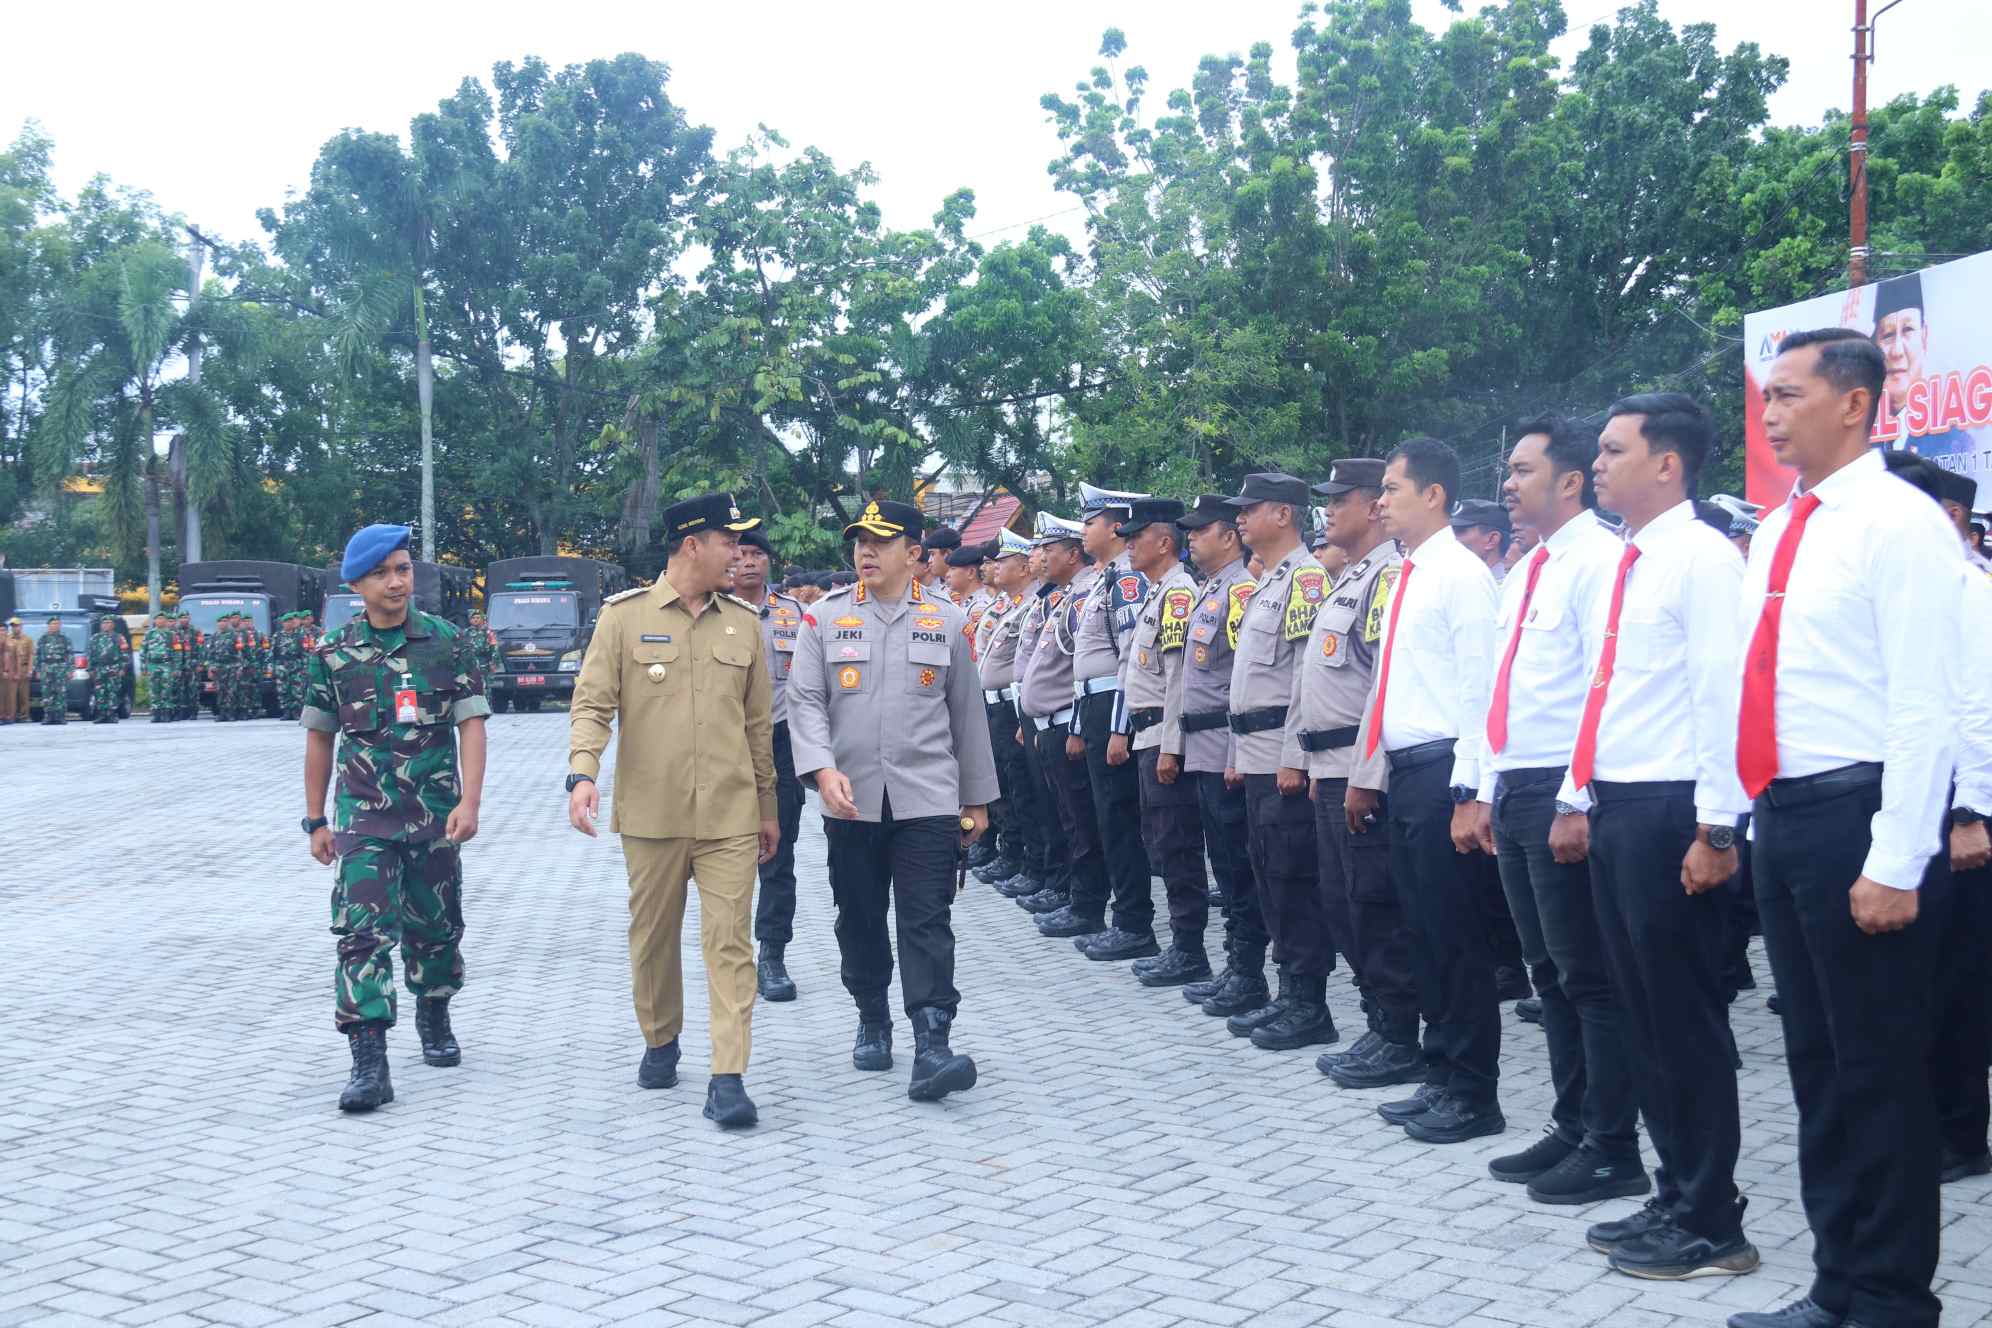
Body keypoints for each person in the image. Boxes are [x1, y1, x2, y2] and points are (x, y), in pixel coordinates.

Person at [1726, 330, 1958, 1327]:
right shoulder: (1784, 525)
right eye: (1766, 395)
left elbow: (1924, 702)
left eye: (1789, 394)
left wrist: (1897, 857)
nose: (1770, 413)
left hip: (1861, 817)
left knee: (1879, 1073)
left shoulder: (1900, 523)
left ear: (1855, 403)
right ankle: (1838, 1285)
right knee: (1818, 1069)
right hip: (1784, 815)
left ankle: (1894, 1300)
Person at [1546, 393, 1757, 1281]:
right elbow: (1607, 689)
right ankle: (1677, 1194)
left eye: (1612, 450)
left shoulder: (1701, 558)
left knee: (1684, 1022)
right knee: (1644, 1018)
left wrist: (1718, 827)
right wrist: (1579, 795)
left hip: (1675, 811)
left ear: (1667, 464)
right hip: (1621, 808)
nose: (1596, 464)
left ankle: (1713, 1221)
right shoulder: (1633, 558)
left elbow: (1723, 695)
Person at [1466, 418, 1648, 1205]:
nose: (1507, 484)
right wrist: (1483, 788)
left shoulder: (1601, 562)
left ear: (1570, 481)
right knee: (1547, 974)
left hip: (1563, 791)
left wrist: (1577, 795)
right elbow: (1500, 690)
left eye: (1522, 470)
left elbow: (1602, 688)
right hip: (1516, 785)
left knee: (1588, 976)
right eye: (1507, 471)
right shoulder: (1526, 569)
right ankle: (1572, 1126)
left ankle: (1612, 1144)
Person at [568, 492, 777, 1131]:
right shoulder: (623, 618)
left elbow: (758, 726)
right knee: (653, 938)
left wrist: (767, 807)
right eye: (728, 542)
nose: (738, 554)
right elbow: (593, 704)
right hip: (652, 815)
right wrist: (583, 773)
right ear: (692, 545)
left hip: (730, 816)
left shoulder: (744, 623)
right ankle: (660, 1038)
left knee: (730, 941)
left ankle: (728, 1076)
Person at [788, 498, 998, 1100]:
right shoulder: (823, 619)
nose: (866, 552)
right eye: (861, 542)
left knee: (926, 918)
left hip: (928, 797)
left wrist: (977, 800)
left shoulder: (946, 620)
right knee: (858, 916)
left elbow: (967, 715)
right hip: (850, 797)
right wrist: (822, 770)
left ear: (914, 554)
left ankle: (933, 1042)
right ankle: (872, 1017)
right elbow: (805, 702)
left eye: (880, 542)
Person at [300, 524, 488, 1113]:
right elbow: (319, 739)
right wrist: (315, 820)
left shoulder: (446, 642)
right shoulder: (332, 653)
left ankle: (434, 1011)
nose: (396, 582)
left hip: (434, 815)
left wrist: (470, 802)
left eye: (403, 569)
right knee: (361, 934)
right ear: (356, 584)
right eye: (381, 573)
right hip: (362, 819)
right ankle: (369, 1062)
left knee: (437, 927)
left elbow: (471, 724)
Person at [1365, 438, 1504, 1142]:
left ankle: (1475, 1092)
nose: (1381, 502)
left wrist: (1471, 790)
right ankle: (1442, 1073)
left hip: (1445, 769)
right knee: (1424, 932)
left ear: (1434, 495)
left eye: (1392, 489)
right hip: (1408, 770)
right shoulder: (1411, 572)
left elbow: (1481, 688)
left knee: (1457, 937)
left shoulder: (1461, 574)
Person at [1881, 450, 1992, 1190]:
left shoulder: (1964, 588)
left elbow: (1977, 708)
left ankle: (1960, 1134)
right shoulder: (1912, 586)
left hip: (1959, 804)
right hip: (1912, 795)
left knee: (1955, 980)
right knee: (1915, 976)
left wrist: (1968, 812)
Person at [1295, 459, 1421, 1091]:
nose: (1327, 511)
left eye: (1339, 499)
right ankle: (1379, 1022)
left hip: (1359, 766)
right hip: (1330, 764)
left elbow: (1381, 686)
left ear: (1373, 507)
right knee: (1342, 902)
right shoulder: (1347, 577)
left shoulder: (1386, 577)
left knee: (1373, 904)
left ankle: (1399, 1034)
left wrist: (1365, 775)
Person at [1228, 472, 1338, 1051]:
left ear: (1284, 515)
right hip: (1256, 753)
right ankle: (1287, 992)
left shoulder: (1306, 579)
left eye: (1252, 508)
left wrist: (1296, 756)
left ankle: (1308, 1002)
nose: (1240, 518)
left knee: (1293, 878)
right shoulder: (1269, 581)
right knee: (1269, 874)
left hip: (1281, 755)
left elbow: (1304, 677)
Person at [1166, 495, 1269, 1018]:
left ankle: (1248, 973)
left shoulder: (1240, 591)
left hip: (1224, 747)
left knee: (1238, 867)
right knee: (1224, 867)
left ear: (1228, 536)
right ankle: (1236, 966)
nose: (1190, 538)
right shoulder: (1210, 590)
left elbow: (1239, 684)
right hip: (1202, 748)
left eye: (1199, 530)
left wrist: (1234, 753)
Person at [1113, 498, 1211, 986]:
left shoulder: (1177, 594)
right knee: (1163, 843)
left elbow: (1178, 679)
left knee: (1178, 846)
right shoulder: (1158, 593)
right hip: (1147, 734)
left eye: (1137, 538)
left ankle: (1190, 950)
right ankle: (1182, 945)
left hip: (1163, 737)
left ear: (1165, 542)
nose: (1129, 546)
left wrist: (1171, 746)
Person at [1070, 483, 1158, 962]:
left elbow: (1131, 660)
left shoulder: (1127, 581)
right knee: (1105, 818)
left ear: (1116, 527)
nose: (1083, 531)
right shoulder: (1106, 578)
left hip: (1113, 709)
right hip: (1095, 707)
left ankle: (1133, 923)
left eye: (1091, 522)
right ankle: (1121, 915)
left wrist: (1121, 727)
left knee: (1120, 820)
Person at [1015, 514, 1107, 939]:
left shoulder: (1086, 595)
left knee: (1081, 822)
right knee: (1067, 818)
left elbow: (1084, 672)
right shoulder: (1066, 597)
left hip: (1069, 723)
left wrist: (1075, 727)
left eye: (1048, 550)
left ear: (1072, 555)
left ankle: (1087, 905)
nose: (1040, 557)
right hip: (1048, 722)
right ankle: (1074, 895)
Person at [730, 525, 808, 1004]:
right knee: (724, 856)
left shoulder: (794, 614)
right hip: (723, 745)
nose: (748, 562)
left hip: (780, 744)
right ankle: (729, 952)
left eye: (757, 554)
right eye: (740, 554)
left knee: (778, 856)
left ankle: (772, 954)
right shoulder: (710, 610)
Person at [973, 528, 1044, 892]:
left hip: (1014, 709)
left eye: (1002, 561)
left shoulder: (1034, 605)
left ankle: (1032, 863)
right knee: (1005, 785)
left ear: (1024, 567)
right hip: (994, 707)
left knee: (1024, 791)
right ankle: (1015, 854)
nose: (994, 567)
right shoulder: (1009, 606)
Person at [1870, 271, 1974, 457]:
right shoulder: (1860, 442)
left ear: (1924, 337)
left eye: (1908, 330)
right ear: (1874, 344)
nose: (1897, 351)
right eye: (1887, 334)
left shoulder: (1953, 441)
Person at [1452, 498, 1514, 584]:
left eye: (1459, 531)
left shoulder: (1512, 588)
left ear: (1492, 540)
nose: (1451, 537)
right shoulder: (1455, 581)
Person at [86, 615, 125, 724]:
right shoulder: (95, 638)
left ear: (113, 625)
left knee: (112, 691)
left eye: (108, 623)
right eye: (104, 623)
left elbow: (125, 653)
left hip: (114, 667)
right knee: (100, 692)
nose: (106, 625)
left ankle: (111, 714)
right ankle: (102, 714)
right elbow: (90, 654)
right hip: (99, 668)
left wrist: (122, 668)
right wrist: (90, 669)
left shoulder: (119, 637)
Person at [35, 616, 69, 725]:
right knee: (47, 693)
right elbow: (37, 655)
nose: (55, 626)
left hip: (60, 668)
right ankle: (48, 716)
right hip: (46, 668)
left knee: (60, 692)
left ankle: (60, 716)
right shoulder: (43, 639)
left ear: (60, 625)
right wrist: (38, 670)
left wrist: (70, 669)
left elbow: (69, 655)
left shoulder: (64, 639)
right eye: (53, 624)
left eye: (57, 624)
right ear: (48, 625)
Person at [142, 612, 175, 722]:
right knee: (154, 689)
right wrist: (143, 667)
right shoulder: (149, 634)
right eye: (158, 619)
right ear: (155, 621)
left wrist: (176, 667)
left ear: (166, 621)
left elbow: (177, 651)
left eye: (162, 619)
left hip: (166, 665)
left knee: (166, 689)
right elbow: (143, 650)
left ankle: (166, 712)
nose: (160, 621)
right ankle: (156, 713)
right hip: (153, 665)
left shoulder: (171, 634)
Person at [2, 616, 32, 724]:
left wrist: (29, 670)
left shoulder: (27, 639)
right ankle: (11, 715)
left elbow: (30, 655)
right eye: (13, 626)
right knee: (11, 694)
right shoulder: (8, 639)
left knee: (24, 694)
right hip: (11, 669)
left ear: (21, 626)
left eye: (17, 626)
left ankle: (24, 716)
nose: (15, 628)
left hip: (23, 668)